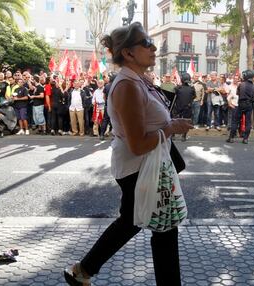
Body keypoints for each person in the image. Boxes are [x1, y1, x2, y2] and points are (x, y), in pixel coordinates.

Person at [64, 22, 192, 286]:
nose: (154, 47)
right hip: (139, 167)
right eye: (146, 43)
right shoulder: (127, 86)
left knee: (137, 222)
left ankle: (83, 270)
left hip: (147, 167)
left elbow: (148, 124)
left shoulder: (138, 81)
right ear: (129, 53)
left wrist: (168, 124)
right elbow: (137, 144)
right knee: (160, 228)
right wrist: (170, 128)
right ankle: (82, 270)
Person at [226, 70, 254, 144]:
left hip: (241, 104)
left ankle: (231, 138)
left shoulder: (241, 84)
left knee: (235, 122)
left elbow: (237, 93)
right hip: (249, 105)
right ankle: (245, 139)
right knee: (248, 122)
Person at [174, 73, 195, 141]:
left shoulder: (177, 88)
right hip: (187, 107)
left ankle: (173, 134)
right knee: (186, 122)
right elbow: (193, 97)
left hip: (178, 107)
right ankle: (183, 136)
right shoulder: (192, 89)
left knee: (176, 121)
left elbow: (174, 96)